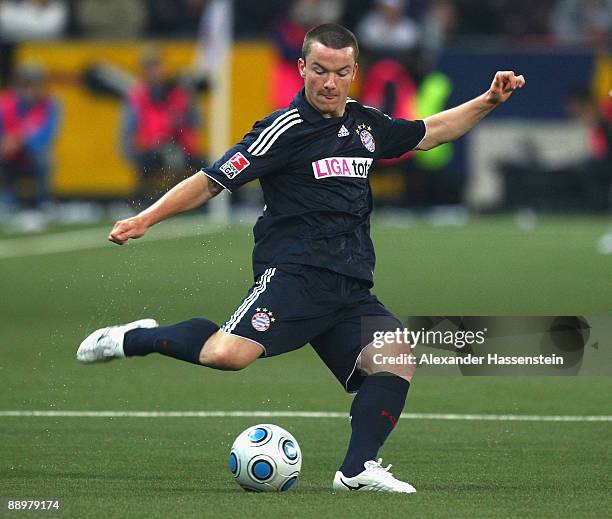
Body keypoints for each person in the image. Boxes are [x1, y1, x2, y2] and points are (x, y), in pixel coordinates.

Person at [77, 24, 525, 492]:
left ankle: (355, 471)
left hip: (349, 284)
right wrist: (146, 219)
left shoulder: (365, 124)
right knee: (227, 356)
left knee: (395, 357)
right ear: (302, 69)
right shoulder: (283, 129)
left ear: (354, 72)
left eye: (341, 72)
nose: (329, 83)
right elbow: (213, 180)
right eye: (319, 70)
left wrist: (489, 100)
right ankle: (140, 337)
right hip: (293, 274)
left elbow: (430, 133)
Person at [122, 47, 203, 205]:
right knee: (146, 165)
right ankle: (142, 203)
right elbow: (129, 129)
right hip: (152, 148)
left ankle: (195, 203)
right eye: (149, 67)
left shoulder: (179, 91)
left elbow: (195, 122)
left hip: (181, 145)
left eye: (157, 66)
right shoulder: (138, 96)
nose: (154, 71)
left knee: (202, 166)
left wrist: (191, 97)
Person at [0, 62, 60, 209]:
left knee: (44, 157)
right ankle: (5, 199)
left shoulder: (49, 105)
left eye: (35, 84)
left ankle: (43, 200)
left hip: (32, 153)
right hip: (8, 152)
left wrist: (21, 140)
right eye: (26, 84)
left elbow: (47, 135)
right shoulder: (5, 103)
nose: (31, 90)